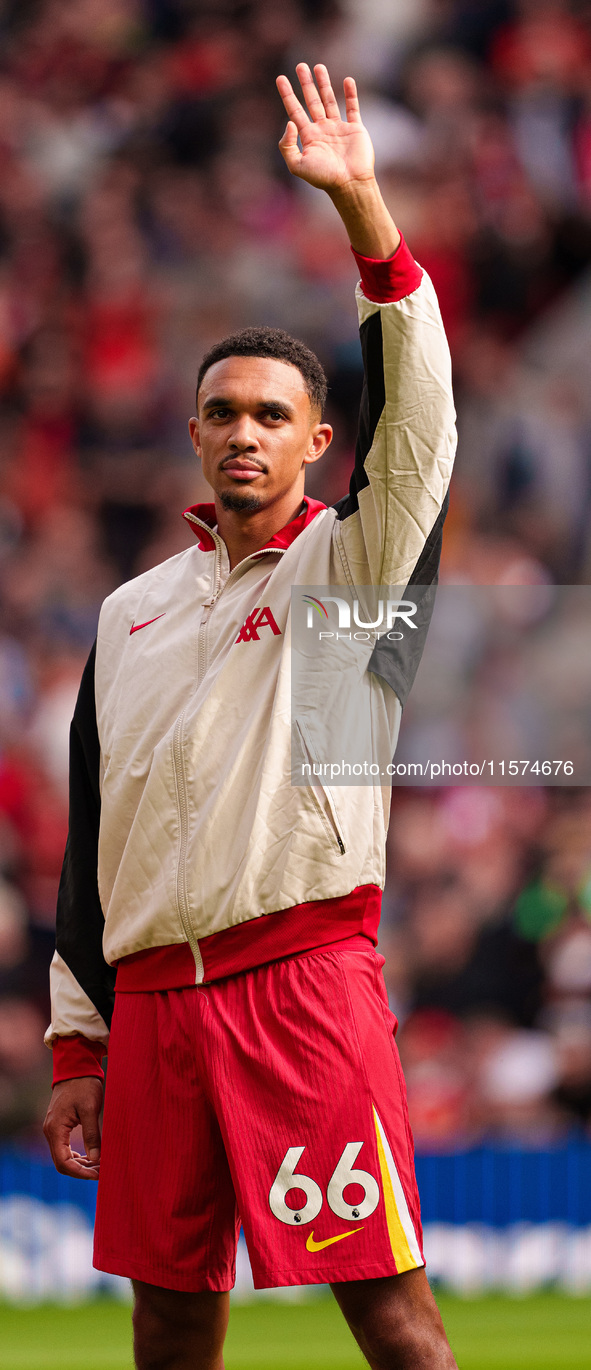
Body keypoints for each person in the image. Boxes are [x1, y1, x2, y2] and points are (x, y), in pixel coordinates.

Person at [43, 63, 458, 1370]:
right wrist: (77, 1034)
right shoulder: (132, 610)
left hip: (305, 985)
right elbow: (92, 837)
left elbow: (422, 427)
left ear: (318, 442)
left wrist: (366, 221)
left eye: (271, 415)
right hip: (155, 1007)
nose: (243, 432)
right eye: (221, 411)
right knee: (168, 1328)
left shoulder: (353, 569)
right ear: (191, 431)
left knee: (390, 1317)